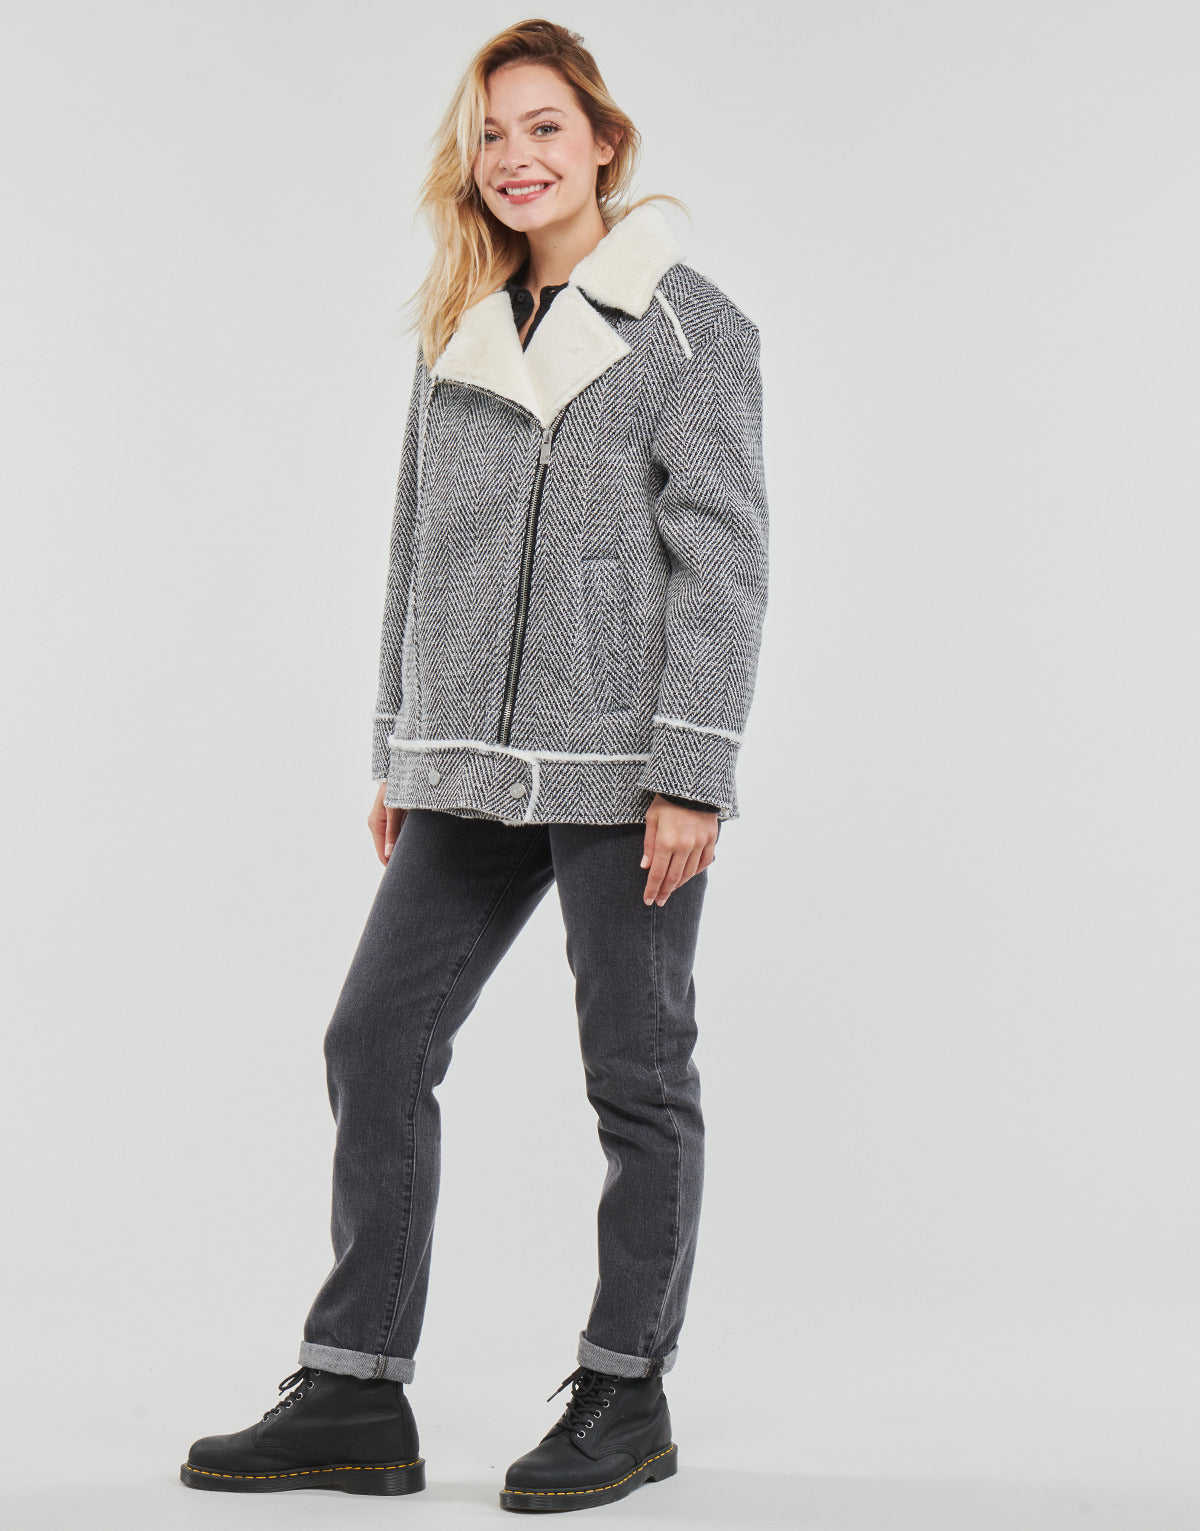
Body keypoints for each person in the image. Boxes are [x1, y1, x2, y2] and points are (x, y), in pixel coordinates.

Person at [180, 16, 769, 1513]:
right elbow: (412, 547)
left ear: (604, 144)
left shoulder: (691, 328)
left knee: (635, 1076)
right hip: (462, 765)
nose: (517, 157)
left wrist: (693, 770)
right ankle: (354, 1392)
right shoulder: (461, 322)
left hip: (623, 770)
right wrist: (401, 739)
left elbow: (725, 562)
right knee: (374, 1042)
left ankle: (627, 1390)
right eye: (493, 134)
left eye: (544, 127)